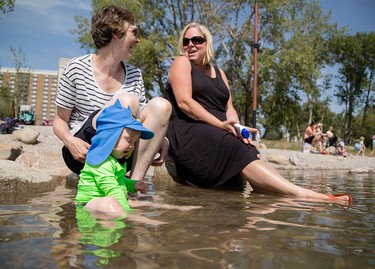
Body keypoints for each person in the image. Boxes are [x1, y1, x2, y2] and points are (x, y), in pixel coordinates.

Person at [165, 22, 351, 203]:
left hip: (217, 128)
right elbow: (184, 103)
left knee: (249, 148)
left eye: (196, 40)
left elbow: (229, 107)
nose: (190, 45)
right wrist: (221, 125)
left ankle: (276, 193)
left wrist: (237, 128)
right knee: (233, 146)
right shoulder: (181, 63)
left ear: (207, 43)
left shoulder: (219, 72)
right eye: (186, 41)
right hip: (189, 127)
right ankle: (303, 195)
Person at [53, 5, 171, 181]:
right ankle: (107, 181)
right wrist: (70, 141)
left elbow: (145, 120)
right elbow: (59, 121)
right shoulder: (76, 67)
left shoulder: (135, 74)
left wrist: (162, 139)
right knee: (126, 102)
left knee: (162, 106)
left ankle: (134, 186)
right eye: (134, 33)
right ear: (116, 33)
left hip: (125, 154)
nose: (138, 40)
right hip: (84, 153)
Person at [75, 99, 154, 219]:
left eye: (134, 142)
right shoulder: (100, 163)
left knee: (134, 204)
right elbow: (113, 189)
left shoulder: (113, 161)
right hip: (86, 204)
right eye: (128, 140)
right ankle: (130, 217)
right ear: (110, 137)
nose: (132, 145)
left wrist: (133, 185)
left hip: (102, 203)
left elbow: (118, 180)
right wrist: (128, 212)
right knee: (111, 204)